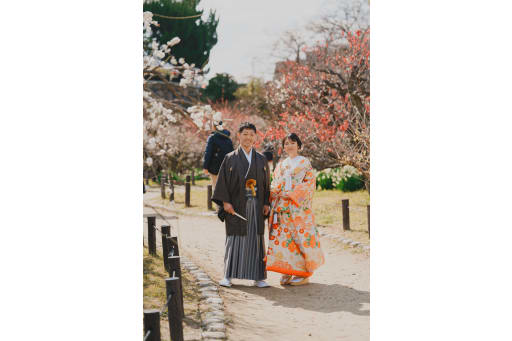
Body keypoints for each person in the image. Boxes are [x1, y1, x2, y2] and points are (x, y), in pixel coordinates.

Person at [212, 122, 271, 288]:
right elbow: (222, 182)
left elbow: (267, 183)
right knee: (235, 239)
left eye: (252, 134)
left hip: (256, 204)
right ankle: (228, 275)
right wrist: (225, 203)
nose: (248, 137)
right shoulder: (230, 158)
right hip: (236, 205)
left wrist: (266, 202)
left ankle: (258, 277)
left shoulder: (261, 159)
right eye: (245, 134)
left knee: (256, 239)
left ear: (256, 137)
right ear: (239, 136)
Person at [265, 133, 325, 286]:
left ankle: (304, 273)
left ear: (298, 145)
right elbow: (276, 181)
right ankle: (288, 270)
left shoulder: (305, 163)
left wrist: (292, 194)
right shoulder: (282, 164)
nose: (289, 146)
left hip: (298, 208)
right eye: (286, 144)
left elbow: (309, 183)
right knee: (284, 239)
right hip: (282, 207)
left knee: (299, 239)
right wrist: (274, 191)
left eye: (292, 143)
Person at [202, 120, 234, 188]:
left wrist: (205, 167)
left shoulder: (212, 137)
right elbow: (232, 153)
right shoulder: (228, 139)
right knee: (225, 188)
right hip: (226, 167)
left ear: (214, 127)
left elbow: (208, 152)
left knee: (216, 188)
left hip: (214, 168)